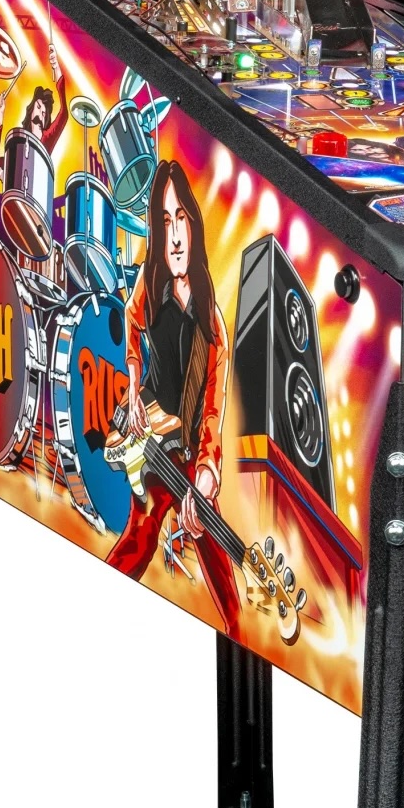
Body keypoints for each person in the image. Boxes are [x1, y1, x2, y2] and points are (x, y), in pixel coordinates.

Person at [107, 158, 240, 636]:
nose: (176, 236)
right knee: (138, 540)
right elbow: (130, 320)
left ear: (194, 225)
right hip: (150, 436)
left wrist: (206, 475)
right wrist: (133, 383)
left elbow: (213, 412)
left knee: (219, 558)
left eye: (181, 217)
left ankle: (240, 638)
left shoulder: (213, 324)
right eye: (165, 222)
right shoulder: (151, 284)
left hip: (188, 456)